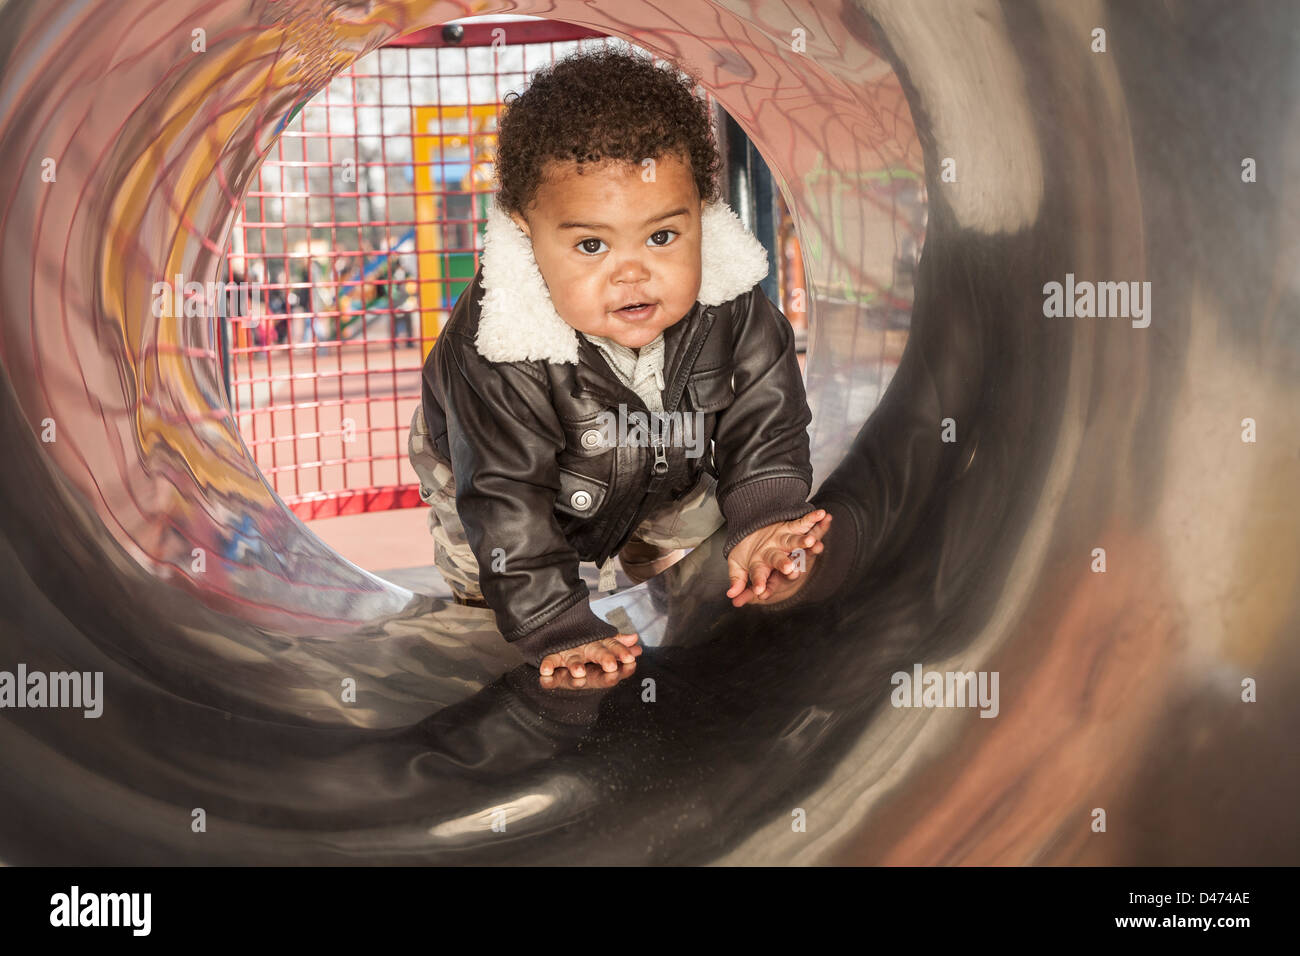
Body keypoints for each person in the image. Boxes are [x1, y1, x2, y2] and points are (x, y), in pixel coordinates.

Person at [408, 47, 831, 678]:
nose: (632, 272)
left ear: (701, 215)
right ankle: (519, 627)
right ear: (527, 231)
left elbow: (764, 422)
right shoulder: (497, 344)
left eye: (662, 236)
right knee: (495, 598)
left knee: (699, 588)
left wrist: (765, 516)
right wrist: (553, 622)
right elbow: (504, 495)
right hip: (500, 482)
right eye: (590, 244)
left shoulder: (732, 305)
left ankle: (671, 604)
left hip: (666, 470)